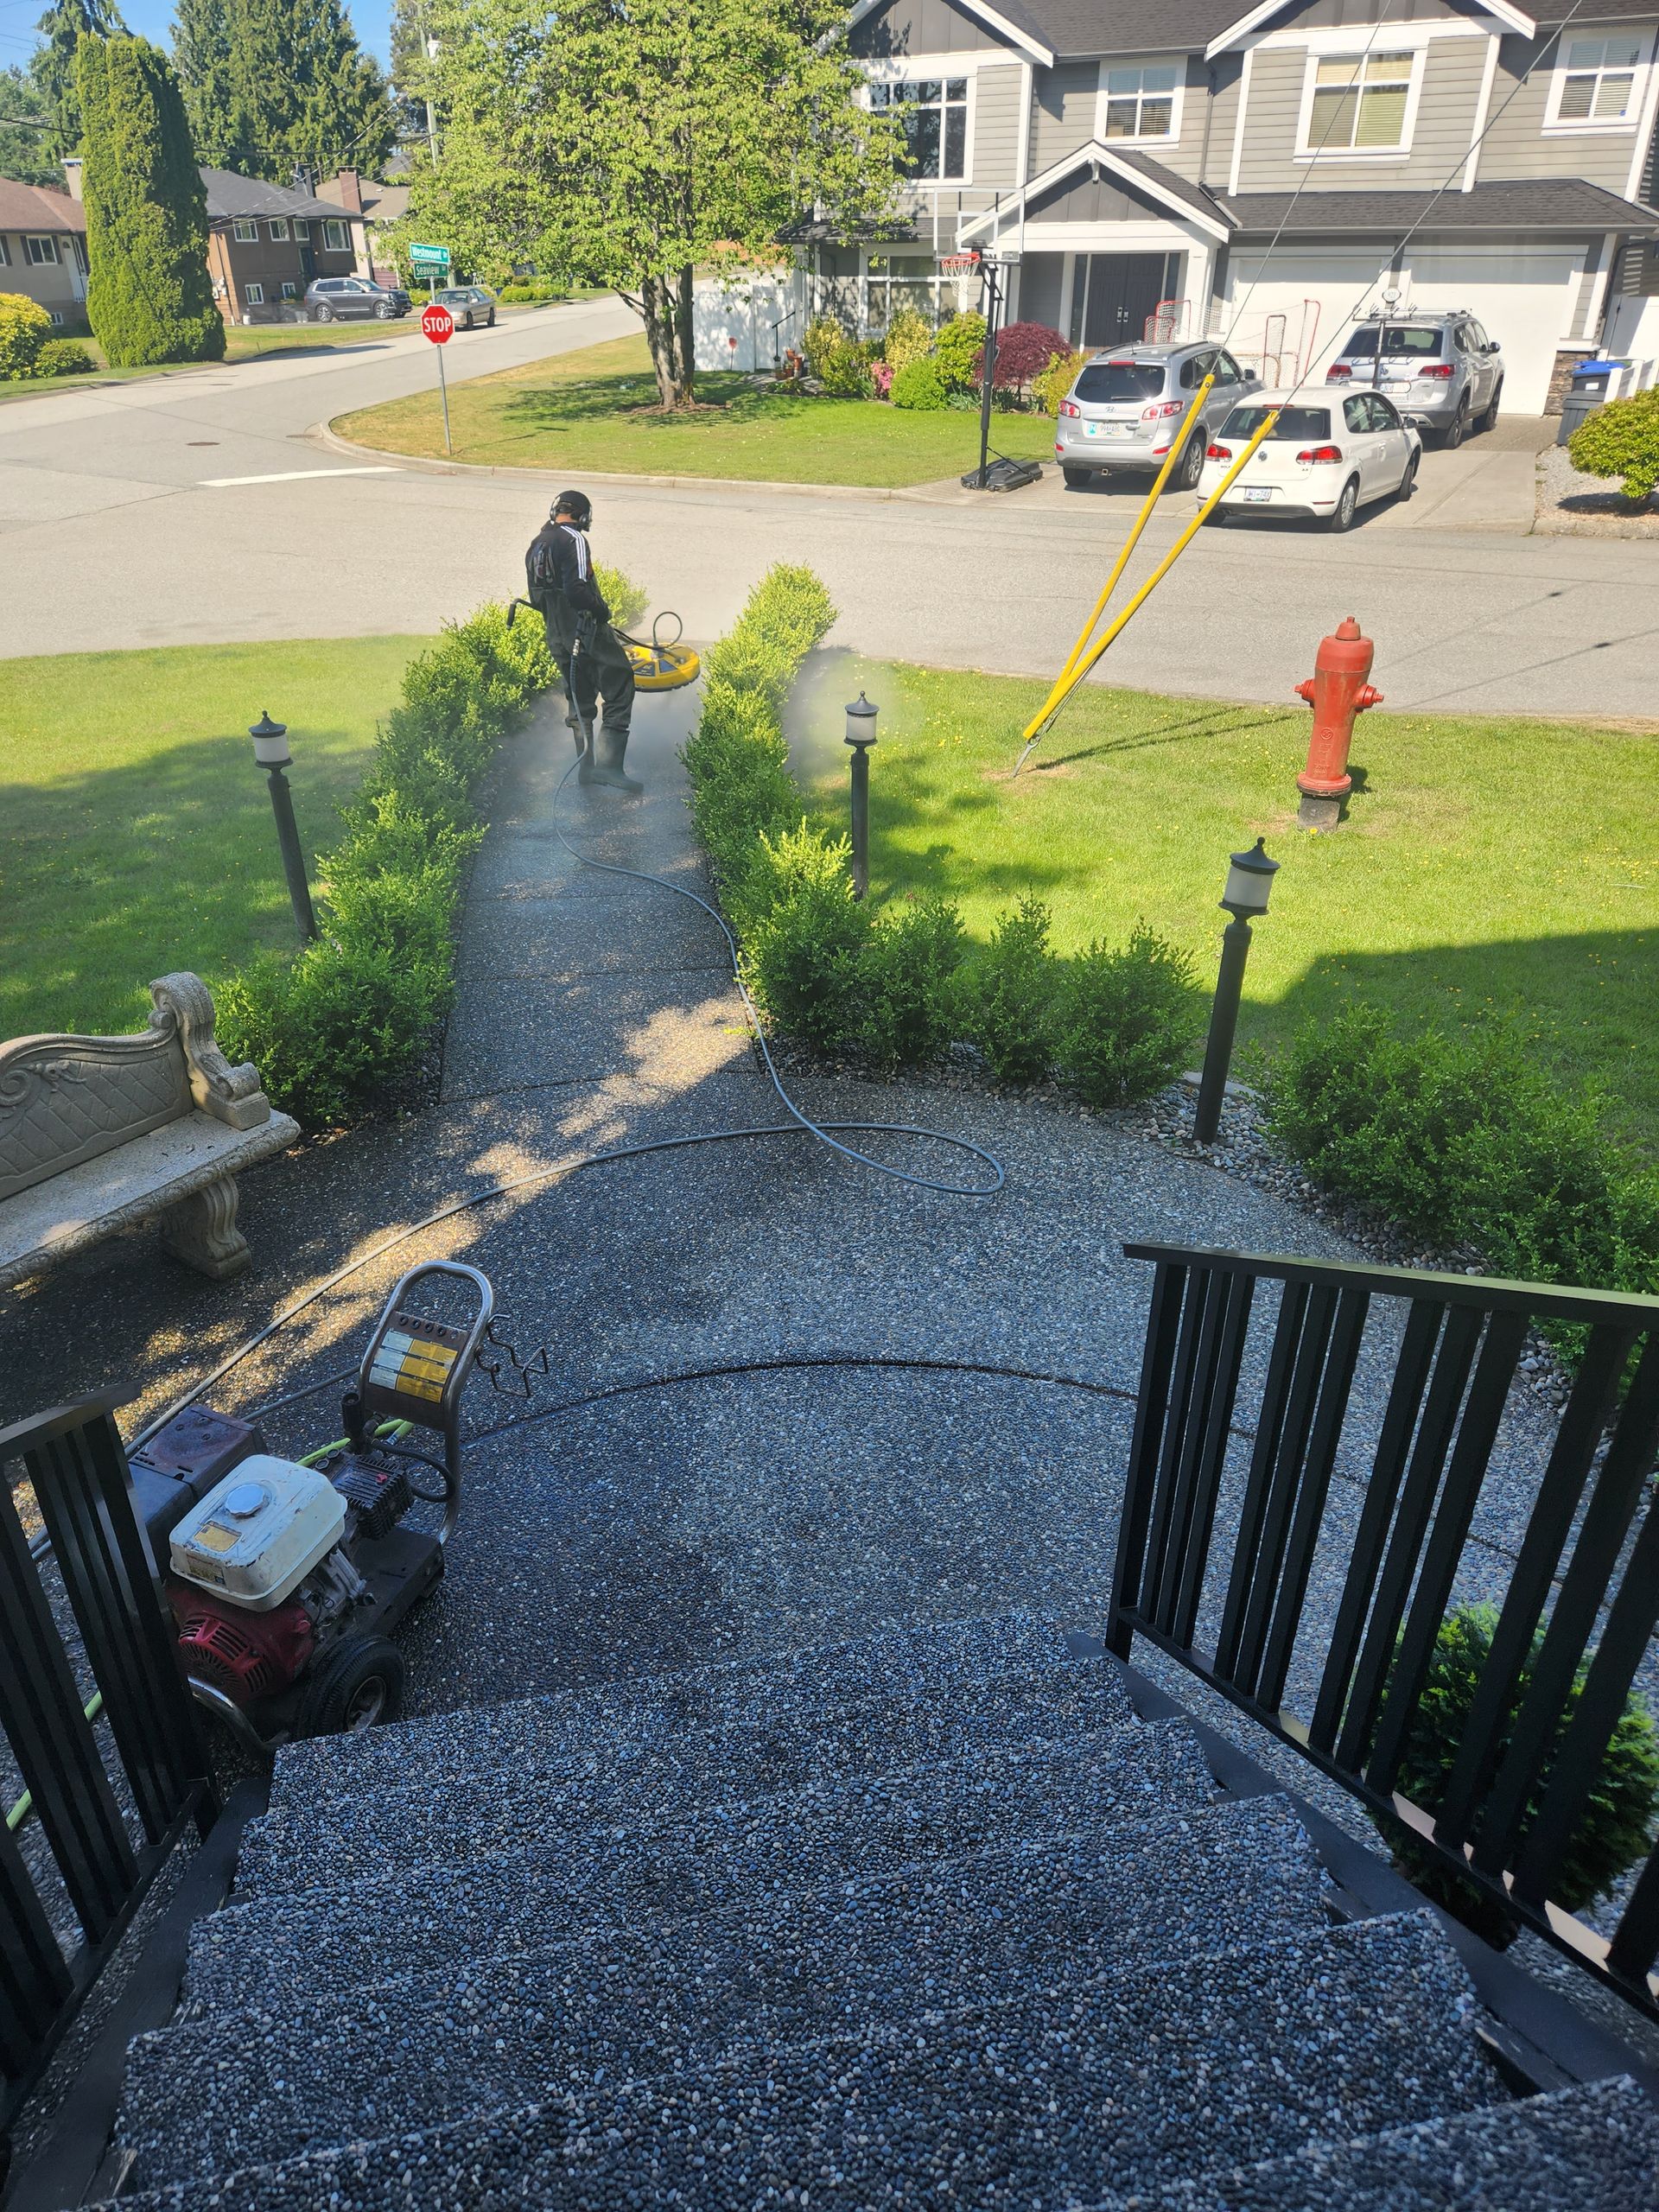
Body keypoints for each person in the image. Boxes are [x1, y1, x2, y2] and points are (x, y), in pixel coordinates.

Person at [524, 489, 640, 793]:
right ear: (583, 515)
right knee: (620, 683)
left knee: (579, 697)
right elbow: (577, 590)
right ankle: (610, 767)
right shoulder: (572, 538)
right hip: (585, 628)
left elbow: (536, 597)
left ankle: (585, 770)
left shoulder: (537, 544)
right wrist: (602, 611)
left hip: (556, 633)